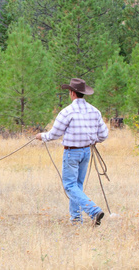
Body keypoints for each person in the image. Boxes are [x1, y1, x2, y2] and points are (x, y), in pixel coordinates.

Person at [36, 78, 108, 226]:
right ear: (83, 93)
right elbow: (104, 134)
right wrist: (94, 140)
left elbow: (55, 134)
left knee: (69, 186)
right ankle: (76, 219)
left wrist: (42, 137)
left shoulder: (67, 112)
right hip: (86, 152)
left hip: (71, 153)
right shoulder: (95, 111)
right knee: (77, 185)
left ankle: (94, 211)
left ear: (72, 93)